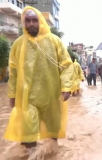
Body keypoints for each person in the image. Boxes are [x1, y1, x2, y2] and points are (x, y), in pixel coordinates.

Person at [4, 7, 74, 154]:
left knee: (52, 129)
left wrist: (66, 87)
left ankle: (52, 153)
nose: (31, 24)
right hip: (27, 97)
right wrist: (12, 94)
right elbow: (14, 72)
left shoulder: (54, 41)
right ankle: (32, 155)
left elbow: (67, 65)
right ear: (23, 23)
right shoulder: (18, 44)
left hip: (51, 94)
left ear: (40, 22)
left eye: (34, 20)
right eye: (27, 21)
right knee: (28, 130)